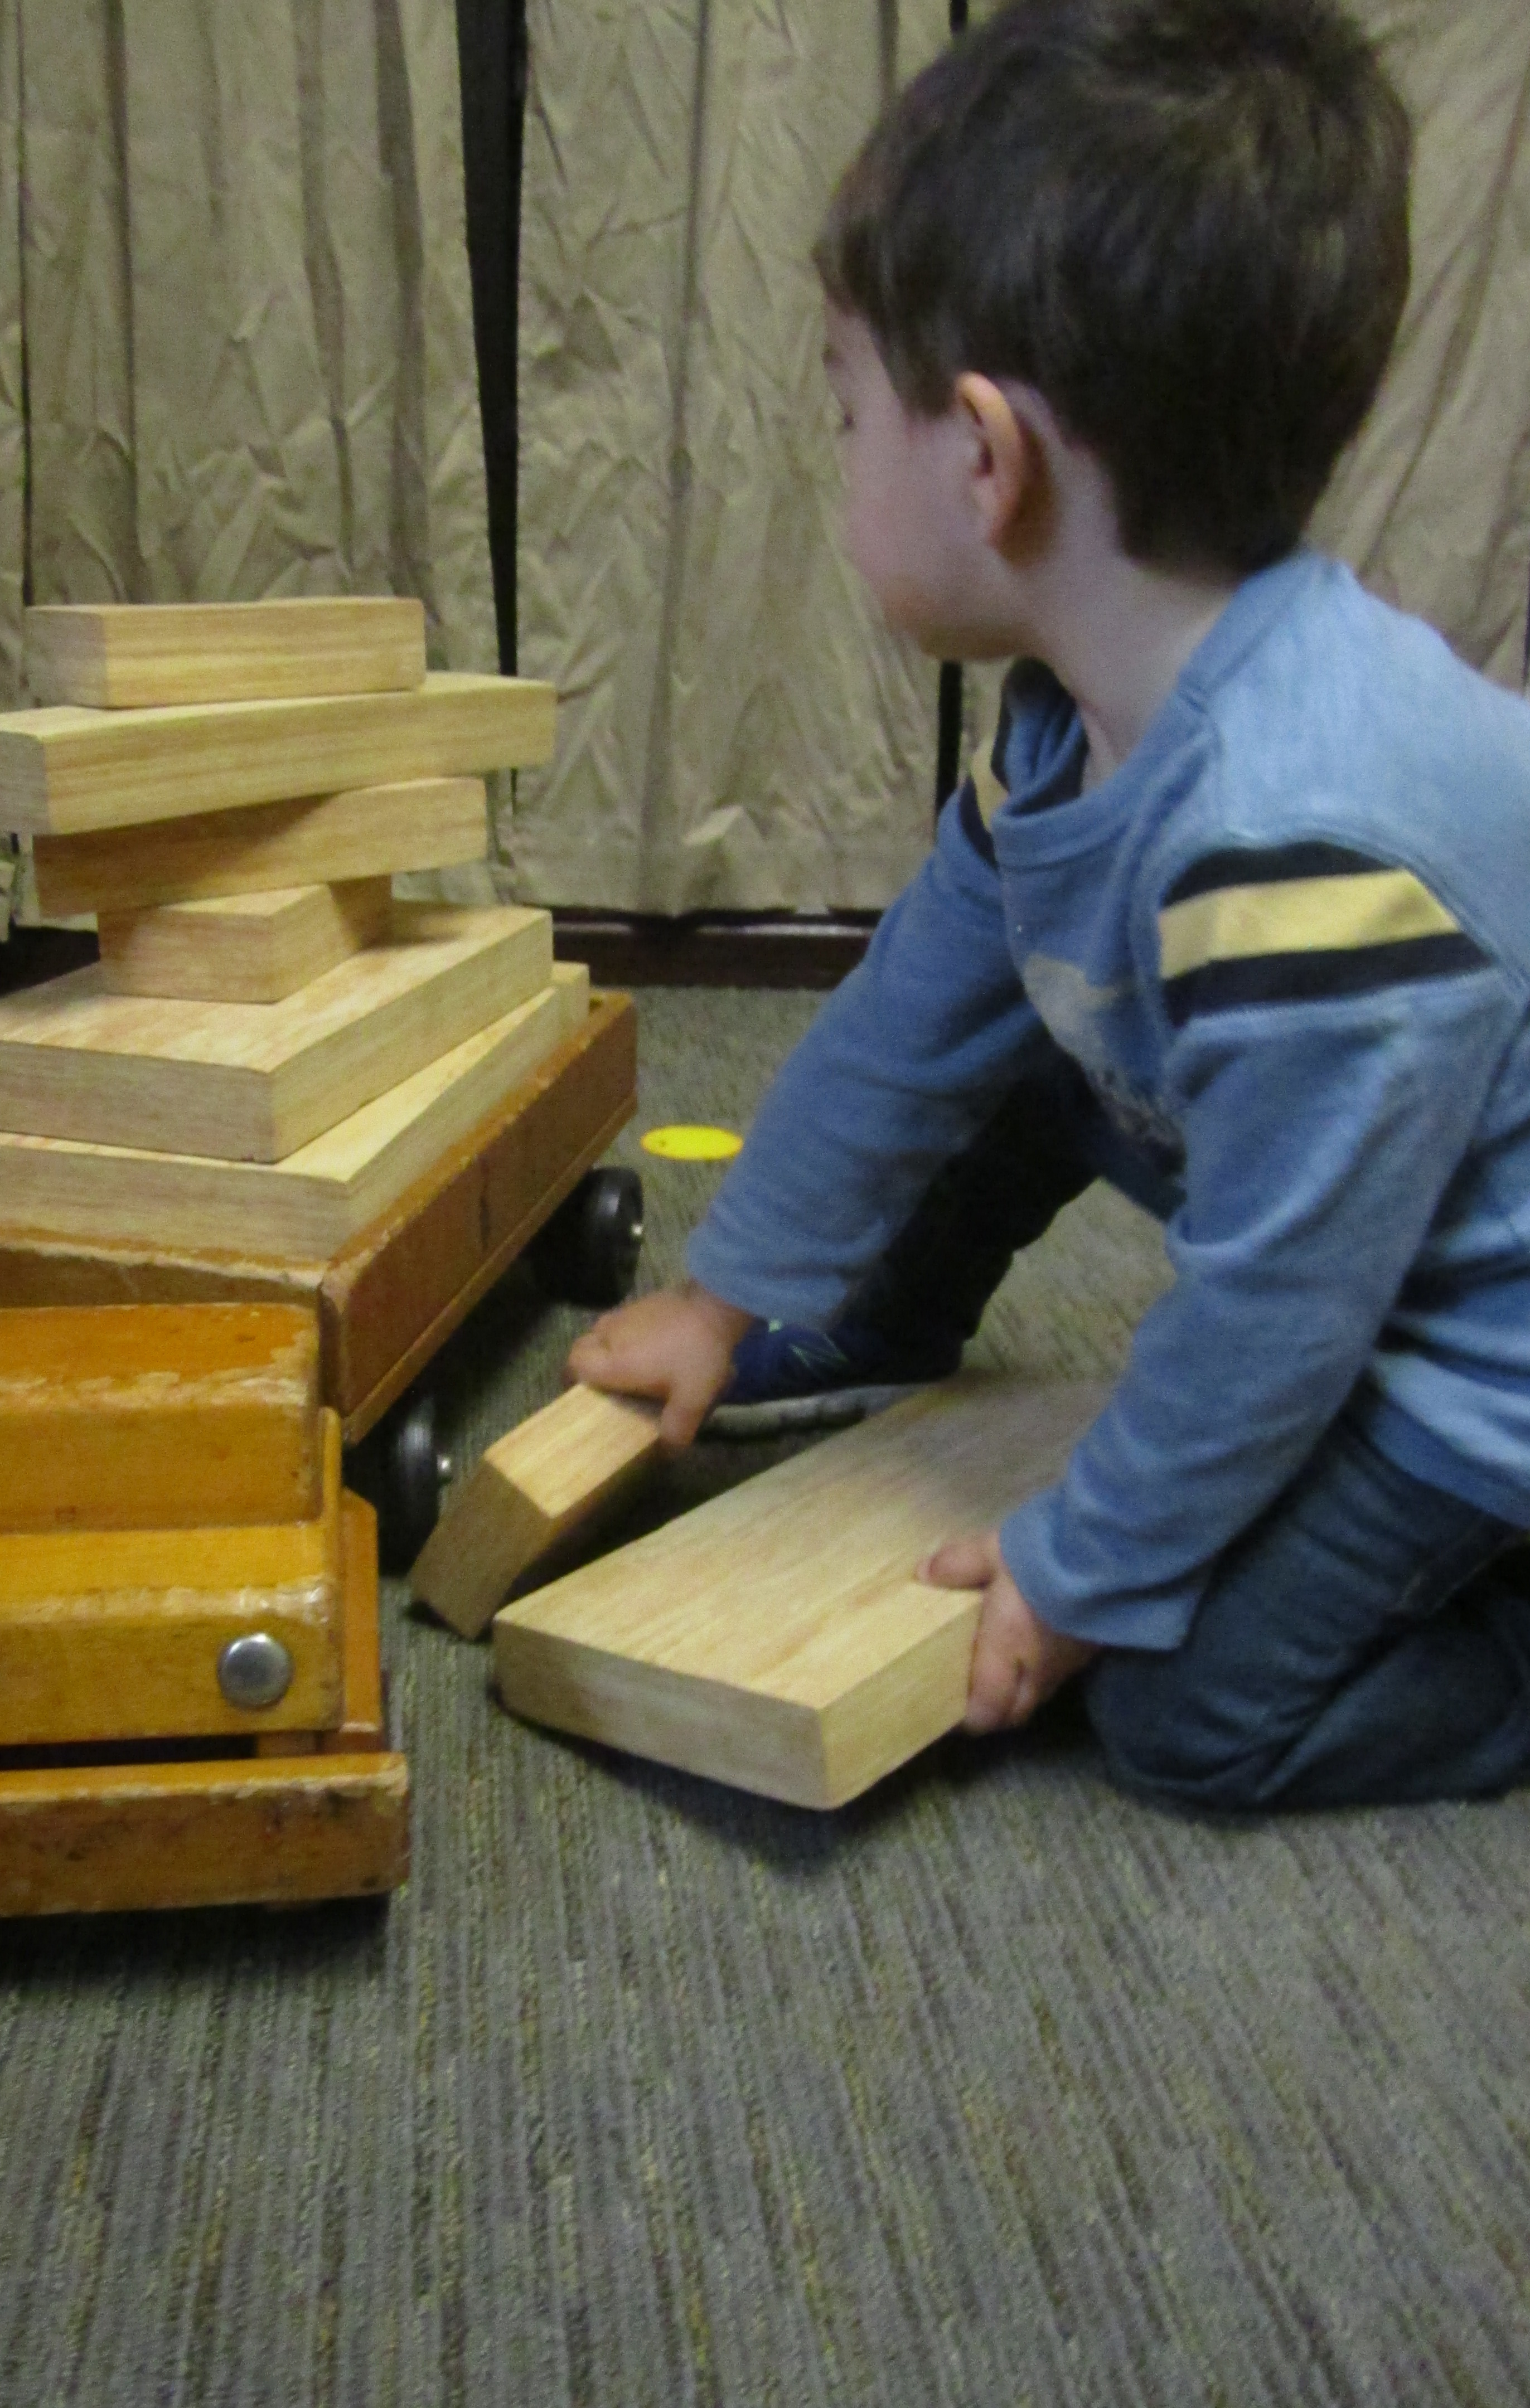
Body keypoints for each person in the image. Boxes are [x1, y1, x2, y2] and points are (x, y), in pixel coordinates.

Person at [565, 0, 1530, 1813]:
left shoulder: (1299, 848)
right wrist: (733, 1290)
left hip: (1473, 1344)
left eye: (847, 409)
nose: (837, 451)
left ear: (988, 460)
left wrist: (1087, 1567)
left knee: (1189, 1720)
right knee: (1020, 1014)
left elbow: (1281, 1310)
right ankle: (881, 1316)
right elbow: (910, 1017)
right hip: (1340, 1198)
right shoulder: (1073, 726)